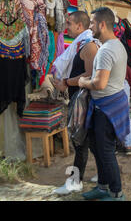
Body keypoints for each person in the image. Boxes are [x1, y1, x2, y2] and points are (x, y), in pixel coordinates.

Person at [79, 7, 130, 201]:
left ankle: (116, 193)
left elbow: (99, 84)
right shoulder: (117, 45)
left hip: (106, 109)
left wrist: (83, 82)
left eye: (92, 23)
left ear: (102, 24)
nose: (90, 27)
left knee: (106, 151)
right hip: (110, 105)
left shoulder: (106, 51)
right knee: (98, 148)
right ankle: (102, 187)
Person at [52, 11, 99, 195]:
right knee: (89, 141)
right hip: (81, 100)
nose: (67, 27)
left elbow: (90, 74)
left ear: (80, 26)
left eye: (70, 23)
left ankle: (75, 181)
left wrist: (66, 82)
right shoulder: (80, 44)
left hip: (85, 102)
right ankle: (105, 173)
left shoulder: (88, 46)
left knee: (80, 142)